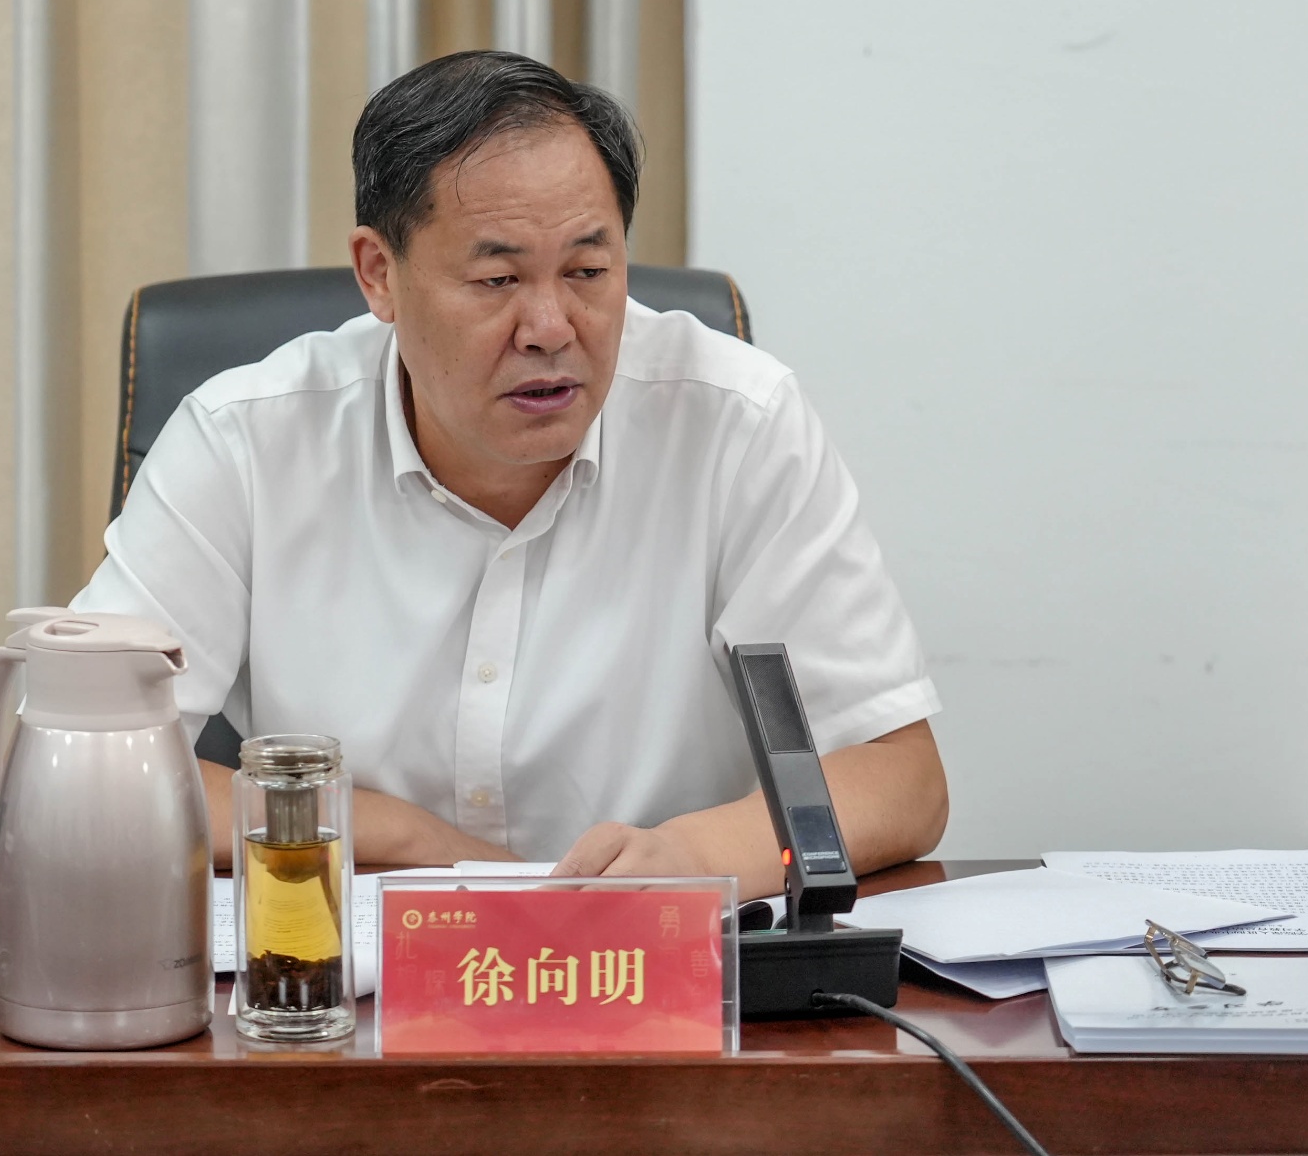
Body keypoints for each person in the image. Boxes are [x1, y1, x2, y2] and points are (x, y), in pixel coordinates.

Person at [72, 50, 946, 899]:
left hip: (650, 968)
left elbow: (899, 775)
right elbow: (85, 766)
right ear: (379, 274)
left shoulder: (737, 424)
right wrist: (400, 834)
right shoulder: (246, 441)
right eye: (497, 278)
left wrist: (688, 859)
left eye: (588, 271)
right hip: (340, 978)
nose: (551, 327)